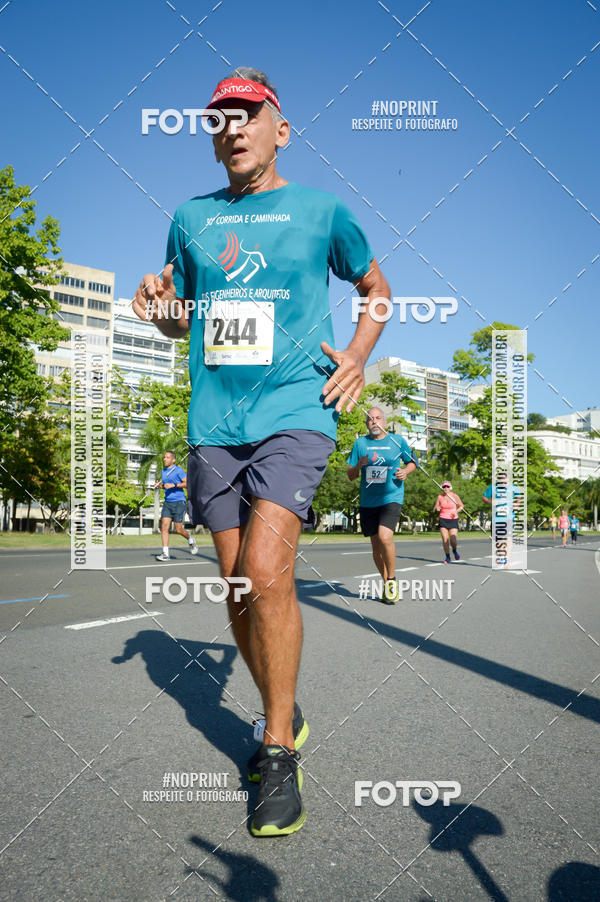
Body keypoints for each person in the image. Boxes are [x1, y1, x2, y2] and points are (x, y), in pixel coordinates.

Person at [132, 68, 389, 837]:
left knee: (267, 572)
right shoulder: (189, 217)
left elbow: (376, 286)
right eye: (220, 120)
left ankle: (275, 748)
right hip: (214, 420)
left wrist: (358, 352)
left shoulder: (322, 211)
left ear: (281, 128)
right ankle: (287, 702)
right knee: (237, 587)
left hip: (296, 410)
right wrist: (159, 310)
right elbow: (185, 319)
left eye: (249, 116)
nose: (233, 128)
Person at [347, 407, 418, 603]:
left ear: (384, 422)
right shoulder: (360, 443)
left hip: (391, 497)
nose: (374, 422)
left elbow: (412, 462)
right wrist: (359, 465)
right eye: (370, 419)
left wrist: (406, 471)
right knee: (376, 546)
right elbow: (350, 475)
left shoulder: (397, 441)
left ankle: (392, 580)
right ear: (366, 424)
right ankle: (386, 583)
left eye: (378, 418)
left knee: (385, 537)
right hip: (368, 501)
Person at [154, 451, 198, 561]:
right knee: (164, 527)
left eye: (167, 457)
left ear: (173, 460)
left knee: (178, 529)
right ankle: (165, 553)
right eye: (164, 457)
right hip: (168, 502)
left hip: (179, 502)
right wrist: (160, 486)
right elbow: (167, 486)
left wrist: (174, 485)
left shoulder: (178, 470)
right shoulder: (163, 471)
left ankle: (191, 540)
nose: (165, 459)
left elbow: (187, 483)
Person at [482, 473, 523, 567]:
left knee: (508, 538)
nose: (503, 483)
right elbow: (484, 498)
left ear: (508, 480)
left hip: (509, 517)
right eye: (501, 481)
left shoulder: (513, 487)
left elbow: (519, 497)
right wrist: (491, 502)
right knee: (498, 540)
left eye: (505, 481)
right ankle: (501, 558)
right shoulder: (492, 487)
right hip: (496, 518)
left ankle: (507, 560)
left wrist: (517, 504)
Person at [433, 481, 464, 563]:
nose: (446, 488)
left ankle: (454, 550)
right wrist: (437, 508)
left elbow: (461, 506)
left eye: (447, 487)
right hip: (443, 519)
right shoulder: (440, 497)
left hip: (453, 519)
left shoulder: (454, 496)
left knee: (453, 539)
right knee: (445, 539)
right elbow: (436, 507)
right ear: (442, 488)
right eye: (444, 487)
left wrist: (456, 511)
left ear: (450, 487)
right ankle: (447, 557)